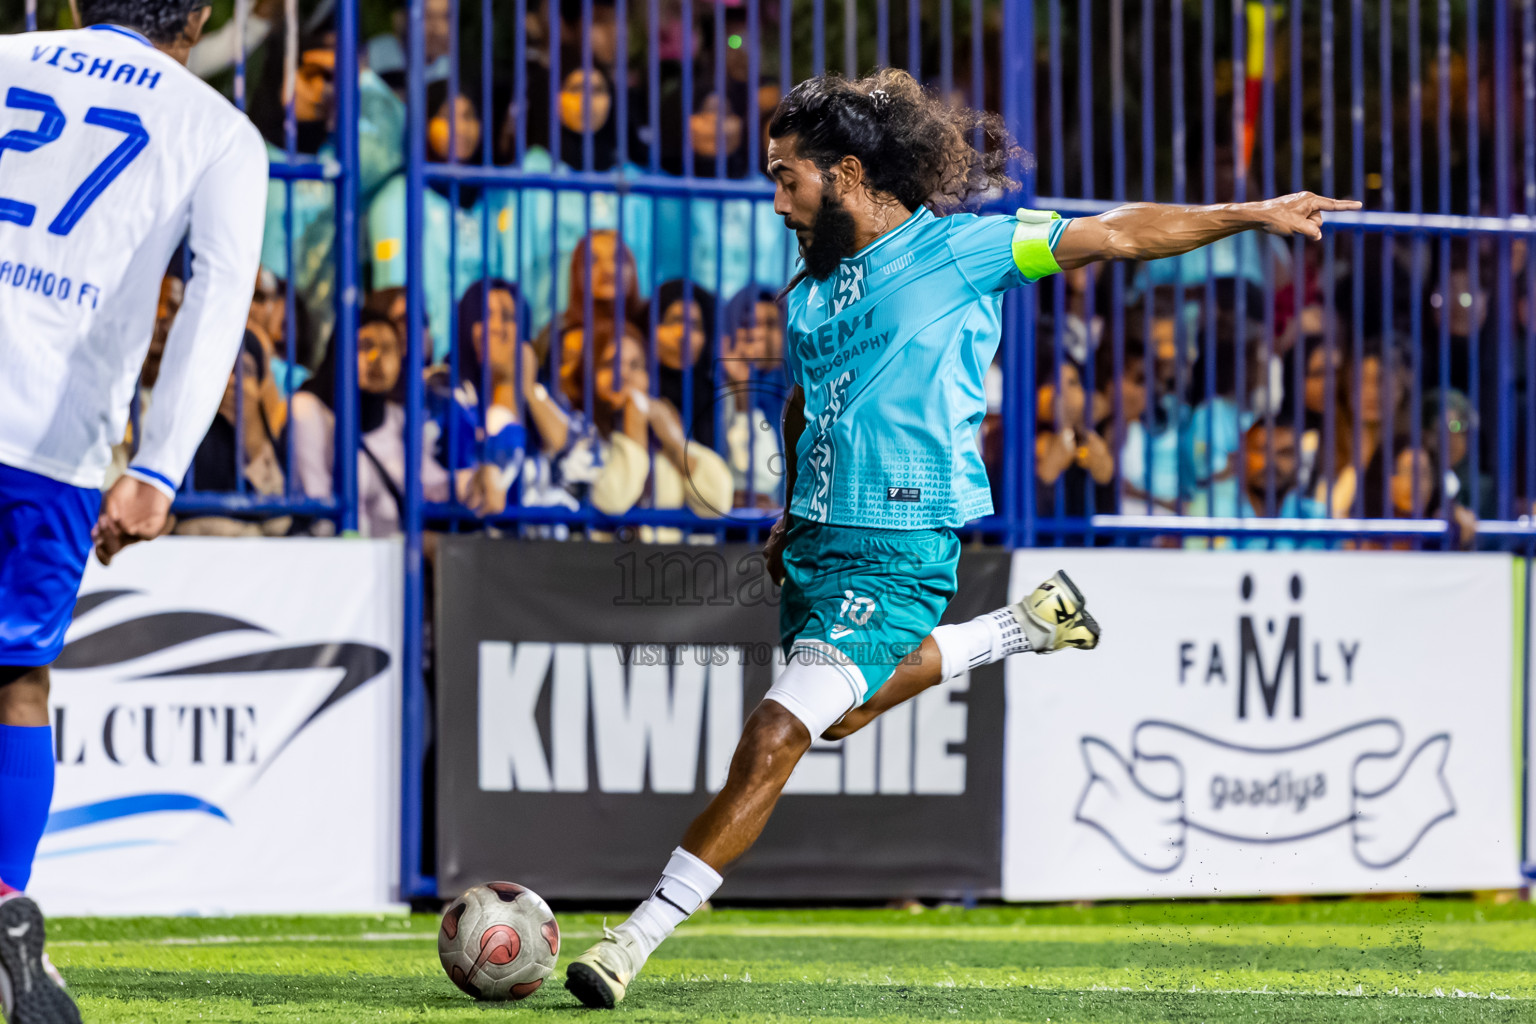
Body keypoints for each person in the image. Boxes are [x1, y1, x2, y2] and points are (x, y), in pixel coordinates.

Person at [563, 68, 1359, 1009]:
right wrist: (789, 512)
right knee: (842, 715)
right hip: (819, 538)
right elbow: (808, 405)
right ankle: (1024, 628)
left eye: (788, 179)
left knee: (776, 733)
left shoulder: (963, 251)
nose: (777, 201)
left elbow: (1117, 233)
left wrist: (1250, 212)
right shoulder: (809, 291)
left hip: (902, 540)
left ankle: (633, 938)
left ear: (847, 172)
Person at [0, 4, 267, 1021]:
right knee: (16, 676)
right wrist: (155, 467)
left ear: (76, 4)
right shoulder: (217, 129)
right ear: (197, 20)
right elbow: (216, 301)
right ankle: (8, 901)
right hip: (51, 443)